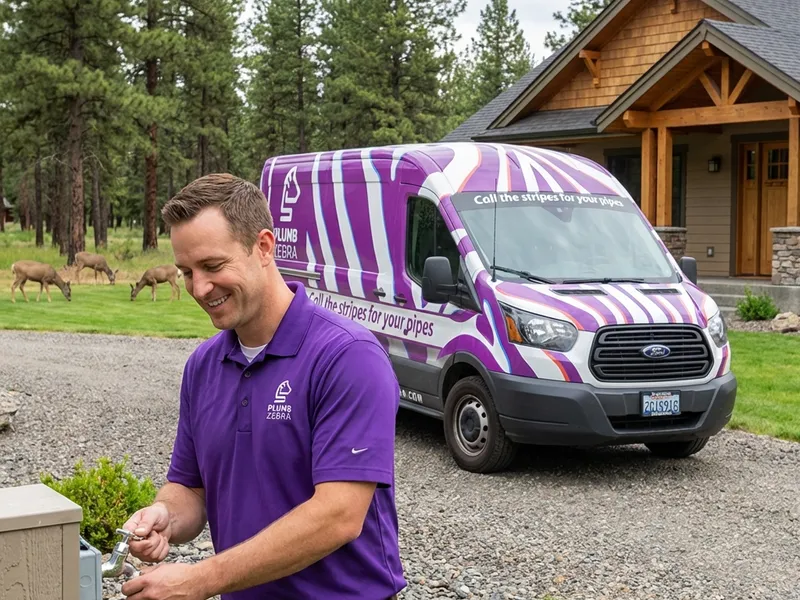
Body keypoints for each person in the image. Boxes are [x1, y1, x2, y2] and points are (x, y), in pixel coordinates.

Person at [120, 173, 406, 600]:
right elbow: (190, 488)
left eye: (213, 266)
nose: (199, 288)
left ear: (264, 247)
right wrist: (164, 516)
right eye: (187, 271)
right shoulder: (204, 365)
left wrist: (202, 579)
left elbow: (339, 515)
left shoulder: (347, 356)